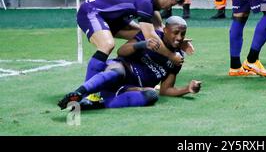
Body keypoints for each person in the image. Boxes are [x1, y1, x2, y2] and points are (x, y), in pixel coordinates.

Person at [57, 16, 201, 110]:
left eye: (182, 34)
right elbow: (122, 51)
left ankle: (99, 104)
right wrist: (143, 44)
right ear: (165, 30)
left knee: (152, 95)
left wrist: (187, 89)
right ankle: (79, 93)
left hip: (130, 88)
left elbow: (165, 90)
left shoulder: (177, 58)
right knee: (117, 71)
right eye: (175, 33)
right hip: (122, 68)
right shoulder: (152, 37)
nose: (179, 37)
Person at [76, 0, 185, 84]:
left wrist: (177, 41)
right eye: (171, 5)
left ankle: (127, 70)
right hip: (91, 11)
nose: (168, 9)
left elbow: (160, 29)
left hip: (111, 17)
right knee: (107, 45)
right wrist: (171, 55)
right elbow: (151, 36)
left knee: (142, 36)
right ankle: (88, 91)